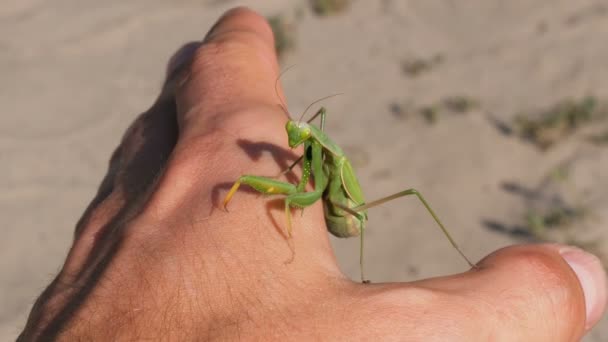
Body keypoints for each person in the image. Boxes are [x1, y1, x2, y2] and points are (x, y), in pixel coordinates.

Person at [18, 7, 606, 341]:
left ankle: (378, 267)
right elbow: (304, 153)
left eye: (299, 136)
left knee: (413, 192)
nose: (291, 138)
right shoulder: (305, 144)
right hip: (321, 190)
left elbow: (318, 193)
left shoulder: (323, 165)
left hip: (348, 212)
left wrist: (249, 183)